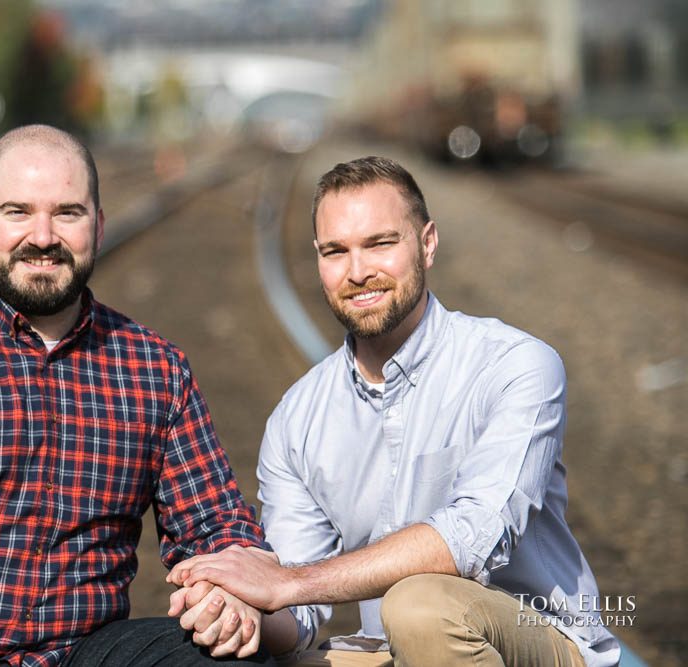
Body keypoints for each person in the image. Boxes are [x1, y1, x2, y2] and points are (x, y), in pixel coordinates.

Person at [0, 124, 273, 666]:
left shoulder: (155, 368)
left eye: (67, 213)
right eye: (17, 212)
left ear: (99, 225)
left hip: (81, 653)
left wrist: (229, 588)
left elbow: (214, 522)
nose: (42, 236)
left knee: (227, 658)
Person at [168, 157, 621, 666]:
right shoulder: (297, 418)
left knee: (419, 605)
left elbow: (470, 541)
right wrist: (235, 606)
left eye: (380, 244)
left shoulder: (514, 366)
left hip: (531, 641)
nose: (358, 272)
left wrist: (286, 583)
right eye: (336, 251)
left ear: (427, 243)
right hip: (390, 652)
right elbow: (296, 616)